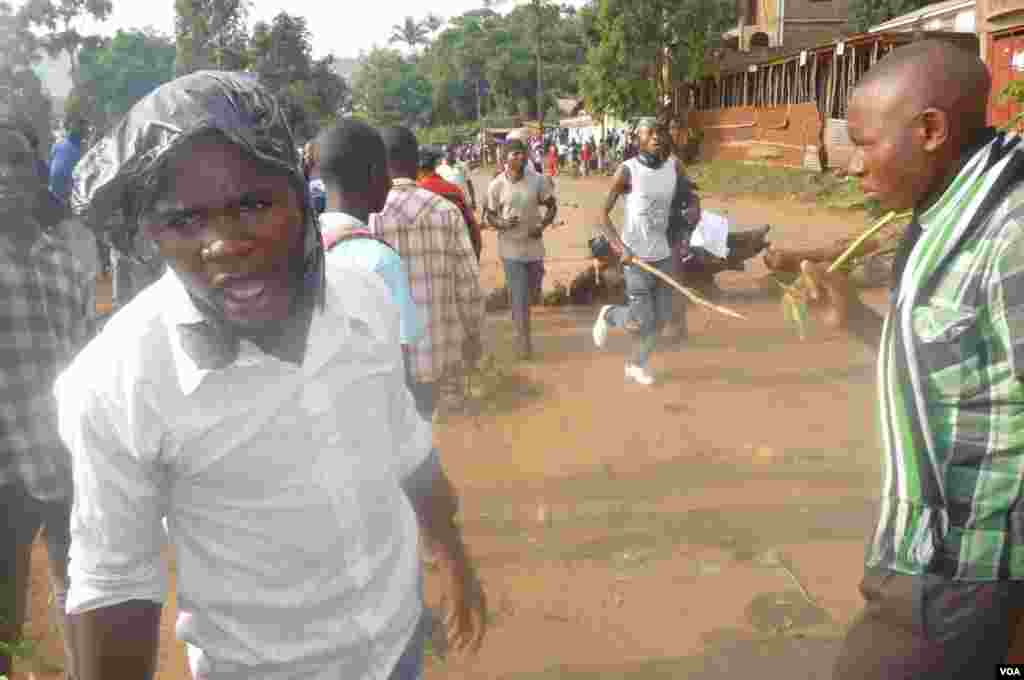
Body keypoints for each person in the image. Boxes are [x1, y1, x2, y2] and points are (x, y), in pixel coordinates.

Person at [59, 72, 486, 680]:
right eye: (185, 221)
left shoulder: (364, 299)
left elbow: (408, 448)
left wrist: (453, 556)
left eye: (253, 205)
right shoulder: (118, 380)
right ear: (152, 233)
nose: (225, 244)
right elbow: (112, 584)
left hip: (396, 653)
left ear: (299, 193)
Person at [796, 41, 1024, 679]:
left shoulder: (1010, 236)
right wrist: (862, 323)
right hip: (925, 558)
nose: (852, 166)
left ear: (929, 130)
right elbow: (968, 375)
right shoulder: (944, 217)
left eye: (866, 144)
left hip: (963, 576)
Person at [0, 101, 94, 680]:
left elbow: (87, 369)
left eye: (16, 162)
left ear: (39, 174)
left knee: (80, 599)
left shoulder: (69, 267)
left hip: (64, 466)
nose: (6, 177)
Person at [372, 126, 485, 420]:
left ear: (381, 164)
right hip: (441, 356)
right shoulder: (446, 211)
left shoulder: (368, 216)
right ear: (416, 162)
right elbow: (469, 285)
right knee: (436, 435)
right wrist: (473, 336)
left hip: (389, 362)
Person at [591, 116, 701, 386]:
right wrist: (621, 249)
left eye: (659, 132)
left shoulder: (674, 166)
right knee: (642, 321)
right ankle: (609, 315)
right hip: (636, 258)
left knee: (661, 319)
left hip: (663, 255)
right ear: (636, 139)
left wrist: (690, 219)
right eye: (648, 133)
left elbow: (692, 197)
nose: (655, 137)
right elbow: (601, 215)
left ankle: (635, 363)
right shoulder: (627, 171)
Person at [316, 119, 423, 354]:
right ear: (375, 174)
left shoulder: (304, 246)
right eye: (387, 171)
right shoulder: (381, 260)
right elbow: (401, 350)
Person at [483, 138, 558, 359]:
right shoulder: (496, 185)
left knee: (532, 294)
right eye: (515, 154)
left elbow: (552, 206)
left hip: (534, 248)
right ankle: (523, 343)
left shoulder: (538, 180)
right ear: (505, 158)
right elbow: (490, 214)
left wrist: (542, 225)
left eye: (522, 153)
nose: (520, 157)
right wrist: (503, 224)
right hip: (510, 249)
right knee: (520, 296)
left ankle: (518, 312)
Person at [418, 144, 482, 260]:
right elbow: (473, 229)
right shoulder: (454, 190)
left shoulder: (415, 192)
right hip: (455, 250)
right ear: (436, 164)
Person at [48, 117, 86, 206]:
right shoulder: (79, 151)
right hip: (64, 192)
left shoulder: (57, 145)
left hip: (54, 190)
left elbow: (50, 165)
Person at [439, 144, 477, 212]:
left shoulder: (463, 166)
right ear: (443, 154)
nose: (449, 154)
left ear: (454, 153)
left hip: (463, 201)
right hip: (448, 203)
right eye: (446, 152)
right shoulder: (440, 169)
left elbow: (469, 184)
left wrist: (473, 200)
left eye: (450, 151)